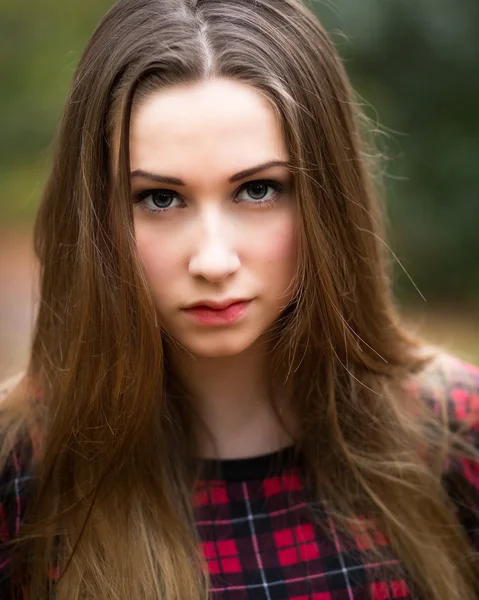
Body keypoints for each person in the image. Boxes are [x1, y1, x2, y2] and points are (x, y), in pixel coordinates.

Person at [0, 0, 478, 598]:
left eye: (258, 190)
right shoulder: (19, 474)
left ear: (328, 202)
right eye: (160, 199)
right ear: (94, 215)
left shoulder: (457, 434)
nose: (214, 261)